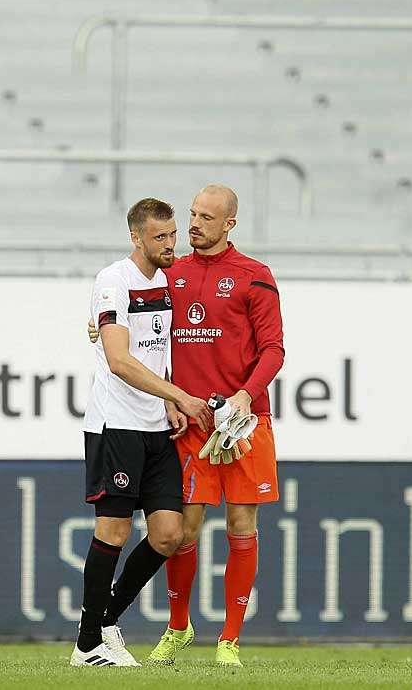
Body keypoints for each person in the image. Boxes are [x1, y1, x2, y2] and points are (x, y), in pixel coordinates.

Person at [91, 184, 284, 667]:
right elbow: (137, 328)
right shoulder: (169, 273)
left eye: (204, 217)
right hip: (193, 423)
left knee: (242, 525)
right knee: (181, 531)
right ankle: (178, 627)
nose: (194, 225)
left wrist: (243, 395)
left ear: (229, 224)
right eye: (191, 215)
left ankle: (230, 641)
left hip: (243, 422)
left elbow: (274, 350)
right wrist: (95, 324)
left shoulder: (254, 276)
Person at [71, 197, 213, 668]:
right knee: (112, 531)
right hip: (117, 425)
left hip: (155, 429)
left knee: (170, 534)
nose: (170, 244)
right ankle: (87, 645)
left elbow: (161, 345)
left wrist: (168, 400)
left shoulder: (169, 281)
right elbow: (119, 360)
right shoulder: (113, 281)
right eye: (160, 237)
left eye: (173, 234)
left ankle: (105, 621)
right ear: (136, 237)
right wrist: (179, 395)